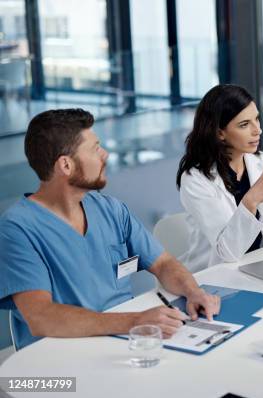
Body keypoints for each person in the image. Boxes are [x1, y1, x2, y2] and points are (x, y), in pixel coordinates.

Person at [0, 109, 220, 350]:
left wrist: (193, 291)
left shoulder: (110, 210)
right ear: (66, 165)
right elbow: (41, 317)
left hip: (125, 342)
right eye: (95, 148)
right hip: (62, 355)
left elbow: (163, 263)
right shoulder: (17, 229)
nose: (105, 155)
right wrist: (135, 321)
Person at [176, 84, 263, 271]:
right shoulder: (196, 179)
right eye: (244, 124)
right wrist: (251, 200)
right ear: (219, 133)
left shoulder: (261, 162)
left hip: (260, 266)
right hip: (215, 275)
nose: (257, 130)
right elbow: (228, 252)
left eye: (256, 119)